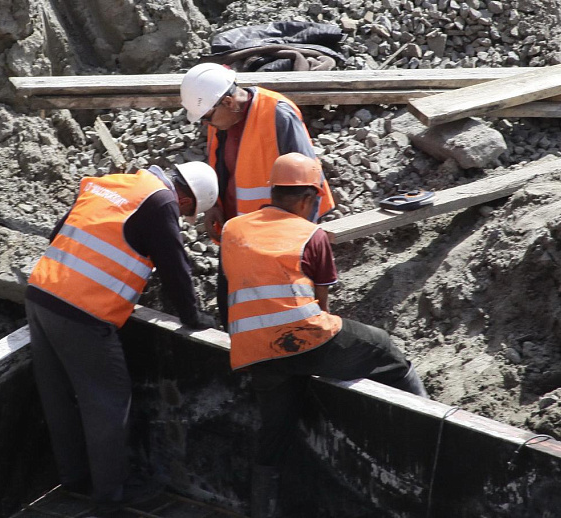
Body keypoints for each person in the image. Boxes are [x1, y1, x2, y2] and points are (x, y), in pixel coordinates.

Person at [219, 153, 428, 517]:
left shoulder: (233, 229)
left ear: (273, 191)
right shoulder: (310, 235)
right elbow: (321, 305)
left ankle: (262, 509)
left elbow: (229, 289)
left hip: (253, 352)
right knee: (382, 345)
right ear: (307, 199)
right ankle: (432, 425)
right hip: (305, 340)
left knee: (275, 432)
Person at [24, 162, 218, 512]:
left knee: (58, 397)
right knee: (108, 402)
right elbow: (174, 266)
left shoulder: (113, 183)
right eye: (187, 212)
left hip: (41, 295)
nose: (181, 216)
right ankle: (110, 496)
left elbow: (59, 234)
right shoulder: (161, 203)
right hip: (83, 313)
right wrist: (192, 317)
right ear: (186, 199)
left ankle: (75, 480)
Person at [179, 62, 335, 239]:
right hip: (238, 233)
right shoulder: (219, 120)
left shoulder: (278, 114)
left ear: (228, 102)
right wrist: (214, 205)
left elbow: (308, 180)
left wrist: (304, 238)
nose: (205, 124)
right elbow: (223, 169)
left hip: (277, 235)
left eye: (206, 118)